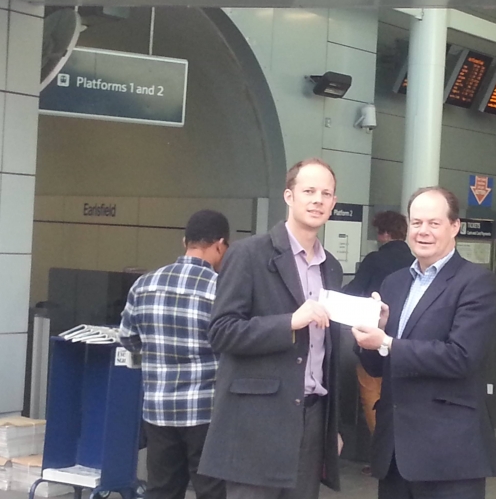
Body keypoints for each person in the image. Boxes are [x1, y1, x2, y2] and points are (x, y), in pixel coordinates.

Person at [198, 158, 343, 499]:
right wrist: (289, 322)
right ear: (289, 196)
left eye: (326, 193)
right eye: (309, 191)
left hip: (310, 418)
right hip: (255, 424)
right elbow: (221, 331)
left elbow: (326, 351)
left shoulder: (331, 267)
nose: (318, 200)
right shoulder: (249, 254)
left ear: (334, 203)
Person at [352, 187, 496, 499]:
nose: (424, 232)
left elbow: (462, 357)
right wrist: (371, 339)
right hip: (394, 455)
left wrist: (389, 342)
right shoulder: (394, 282)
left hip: (448, 455)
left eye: (434, 223)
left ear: (454, 226)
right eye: (417, 223)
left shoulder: (475, 282)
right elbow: (378, 367)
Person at [119, 209, 230, 499]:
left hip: (158, 409)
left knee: (161, 490)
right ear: (220, 245)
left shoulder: (144, 284)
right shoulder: (221, 290)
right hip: (206, 411)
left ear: (185, 242)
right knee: (212, 490)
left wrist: (157, 357)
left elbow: (128, 338)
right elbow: (232, 343)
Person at [343, 210, 414, 475]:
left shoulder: (375, 259)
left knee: (372, 395)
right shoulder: (414, 259)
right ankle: (405, 450)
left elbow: (354, 291)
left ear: (382, 233)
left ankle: (384, 455)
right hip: (405, 342)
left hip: (373, 341)